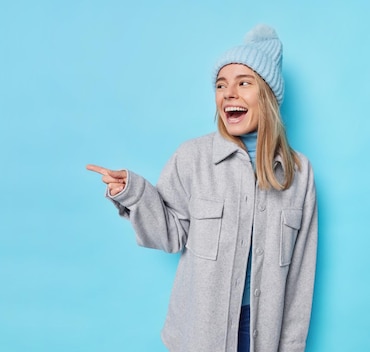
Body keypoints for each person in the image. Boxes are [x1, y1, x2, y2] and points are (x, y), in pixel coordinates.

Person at [87, 24, 317, 352]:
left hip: (264, 336)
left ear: (266, 94)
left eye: (243, 83)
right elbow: (169, 236)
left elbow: (300, 277)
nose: (229, 94)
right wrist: (134, 192)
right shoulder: (192, 158)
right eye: (221, 85)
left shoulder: (299, 172)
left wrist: (292, 347)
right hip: (199, 334)